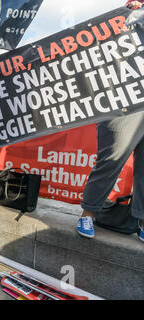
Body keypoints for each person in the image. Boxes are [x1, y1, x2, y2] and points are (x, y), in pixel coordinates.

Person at [77, 0, 144, 242]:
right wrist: (129, 14)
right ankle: (88, 213)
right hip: (123, 101)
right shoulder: (131, 14)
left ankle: (142, 222)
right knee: (111, 159)